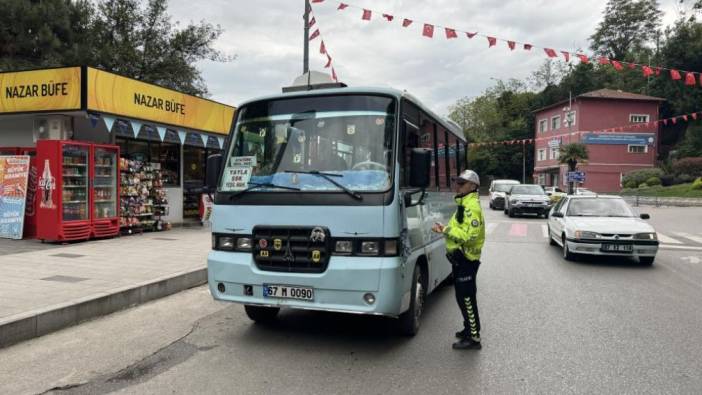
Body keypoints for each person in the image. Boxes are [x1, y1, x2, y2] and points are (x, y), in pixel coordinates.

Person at [432, 169, 486, 350]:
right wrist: (445, 228)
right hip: (459, 259)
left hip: (466, 259)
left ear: (473, 186)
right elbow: (459, 229)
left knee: (467, 299)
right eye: (457, 182)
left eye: (462, 183)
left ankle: (474, 338)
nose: (458, 185)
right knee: (461, 297)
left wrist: (446, 230)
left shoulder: (471, 207)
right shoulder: (464, 204)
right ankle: (468, 329)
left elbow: (470, 235)